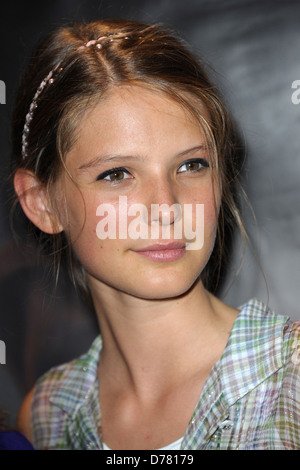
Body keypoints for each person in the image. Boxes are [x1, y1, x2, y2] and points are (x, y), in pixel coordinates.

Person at [11, 19, 300, 450]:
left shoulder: (291, 378)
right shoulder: (48, 415)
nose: (167, 208)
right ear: (41, 202)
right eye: (117, 174)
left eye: (191, 165)